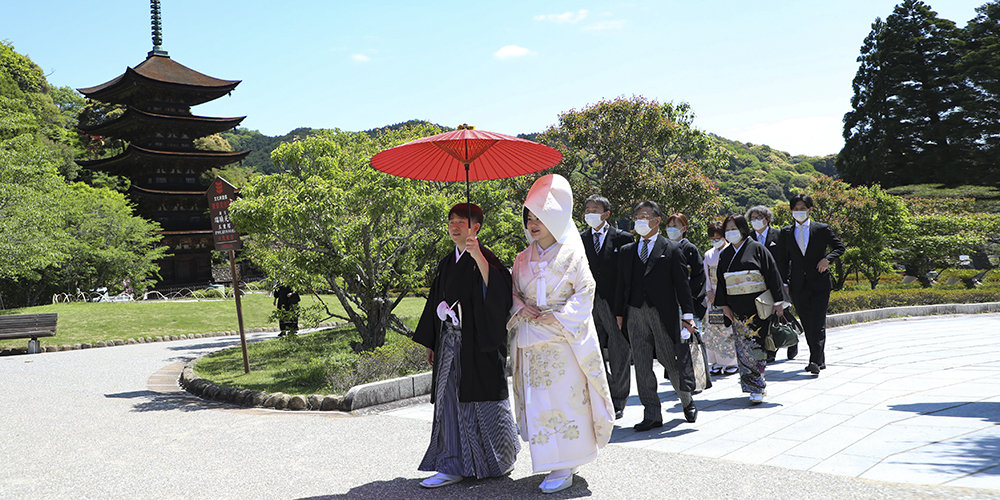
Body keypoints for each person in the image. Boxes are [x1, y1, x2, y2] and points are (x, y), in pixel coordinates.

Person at [508, 175, 614, 494]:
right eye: (529, 218)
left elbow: (586, 289)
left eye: (539, 218)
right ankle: (552, 460)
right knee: (540, 401)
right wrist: (521, 308)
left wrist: (558, 314)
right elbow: (512, 293)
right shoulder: (521, 259)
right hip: (532, 339)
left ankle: (566, 462)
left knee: (566, 399)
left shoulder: (572, 254)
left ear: (555, 219)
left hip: (563, 339)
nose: (533, 224)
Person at [411, 203, 520, 489]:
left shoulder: (487, 258)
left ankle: (500, 460)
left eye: (462, 222)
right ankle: (451, 465)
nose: (455, 226)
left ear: (476, 227)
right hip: (449, 342)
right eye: (451, 221)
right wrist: (432, 341)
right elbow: (435, 301)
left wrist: (478, 257)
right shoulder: (447, 263)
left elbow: (499, 295)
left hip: (479, 346)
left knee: (485, 403)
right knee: (449, 403)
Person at [614, 201, 699, 431]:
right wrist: (619, 313)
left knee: (669, 360)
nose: (639, 221)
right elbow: (621, 285)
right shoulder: (627, 251)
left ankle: (686, 399)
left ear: (657, 220)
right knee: (641, 364)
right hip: (634, 312)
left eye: (644, 216)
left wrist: (688, 315)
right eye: (637, 217)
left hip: (662, 313)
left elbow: (682, 286)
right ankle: (651, 413)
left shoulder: (671, 249)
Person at [713, 214, 785, 405]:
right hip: (736, 308)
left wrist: (778, 302)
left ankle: (757, 385)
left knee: (756, 346)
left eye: (734, 228)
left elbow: (772, 274)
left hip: (757, 306)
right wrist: (724, 306)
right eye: (727, 230)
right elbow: (721, 282)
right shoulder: (725, 254)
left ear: (743, 229)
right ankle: (752, 385)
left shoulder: (757, 248)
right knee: (743, 348)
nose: (730, 232)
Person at [775, 194, 846, 376]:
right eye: (795, 208)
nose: (799, 211)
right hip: (798, 284)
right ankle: (818, 359)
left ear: (810, 209)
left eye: (802, 208)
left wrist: (827, 260)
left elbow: (839, 247)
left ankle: (814, 360)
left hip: (820, 282)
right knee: (807, 322)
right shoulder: (786, 232)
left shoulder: (821, 229)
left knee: (818, 321)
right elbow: (782, 260)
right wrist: (784, 283)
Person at [580, 194, 634, 420]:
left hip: (614, 303)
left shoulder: (623, 238)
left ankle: (619, 399)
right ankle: (605, 393)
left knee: (619, 351)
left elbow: (628, 276)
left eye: (595, 209)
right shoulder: (580, 239)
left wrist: (624, 307)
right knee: (592, 350)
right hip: (588, 303)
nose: (590, 213)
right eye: (587, 209)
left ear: (606, 214)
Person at [745, 205, 798, 361]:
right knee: (765, 316)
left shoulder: (779, 235)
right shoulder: (748, 238)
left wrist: (786, 282)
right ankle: (770, 349)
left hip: (779, 281)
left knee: (783, 313)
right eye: (752, 218)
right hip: (759, 284)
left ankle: (792, 340)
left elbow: (788, 260)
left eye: (758, 218)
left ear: (767, 219)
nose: (755, 221)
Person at [701, 222, 738, 376]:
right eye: (712, 238)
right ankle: (715, 361)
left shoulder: (732, 251)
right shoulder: (708, 254)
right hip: (713, 296)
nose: (715, 240)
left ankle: (730, 362)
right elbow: (706, 274)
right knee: (714, 329)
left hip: (727, 295)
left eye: (718, 237)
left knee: (727, 329)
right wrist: (709, 291)